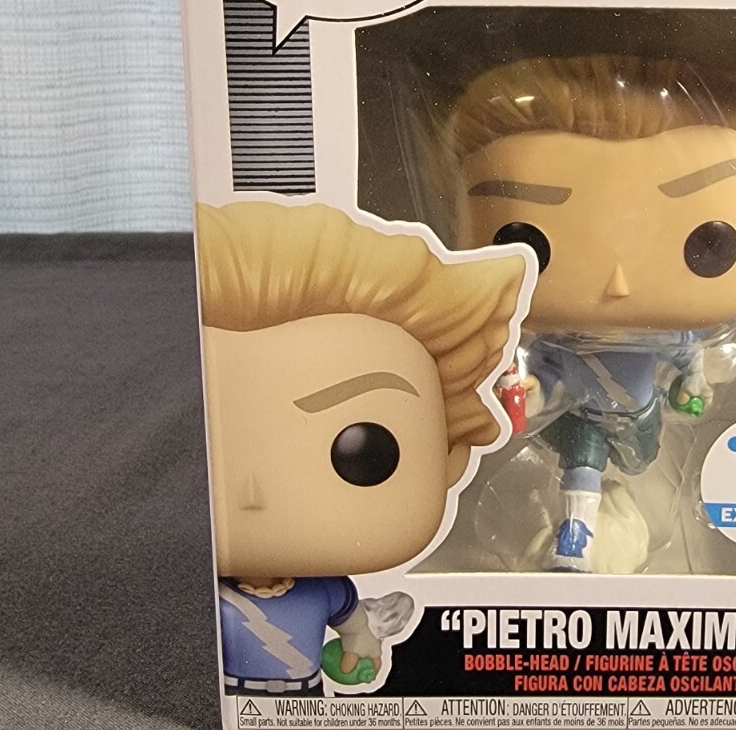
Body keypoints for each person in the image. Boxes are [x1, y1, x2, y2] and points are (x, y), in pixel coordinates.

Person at [448, 44, 736, 570]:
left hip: (641, 422)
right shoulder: (554, 342)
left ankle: (607, 518)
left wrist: (693, 388)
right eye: (526, 240)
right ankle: (575, 539)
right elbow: (545, 380)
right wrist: (528, 391)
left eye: (708, 243)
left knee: (636, 473)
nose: (618, 284)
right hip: (581, 417)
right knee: (582, 462)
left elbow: (688, 375)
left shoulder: (674, 338)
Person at [197, 201, 526, 691]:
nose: (251, 492)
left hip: (308, 694)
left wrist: (362, 646)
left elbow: (357, 630)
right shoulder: (214, 598)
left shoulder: (328, 593)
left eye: (364, 453)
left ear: (449, 454)